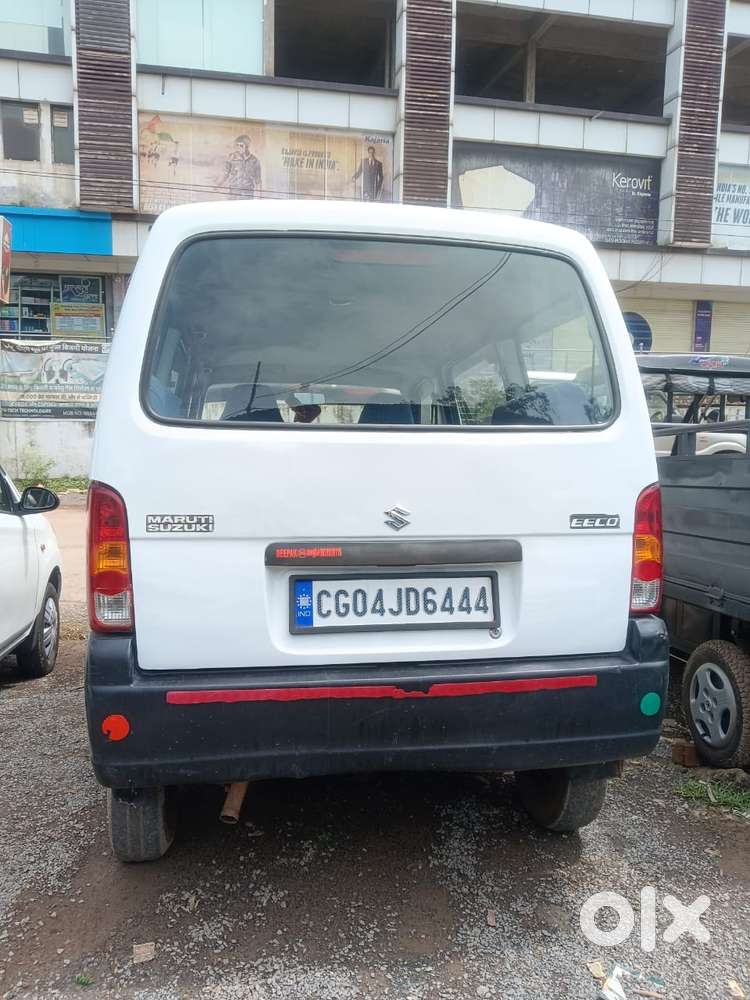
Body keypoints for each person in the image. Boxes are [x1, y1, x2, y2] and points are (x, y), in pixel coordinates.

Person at [219, 135, 262, 199]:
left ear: (247, 146)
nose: (238, 148)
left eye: (241, 145)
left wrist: (260, 197)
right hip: (233, 192)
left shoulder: (254, 161)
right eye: (237, 145)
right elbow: (225, 173)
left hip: (248, 193)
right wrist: (218, 185)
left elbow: (258, 180)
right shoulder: (231, 158)